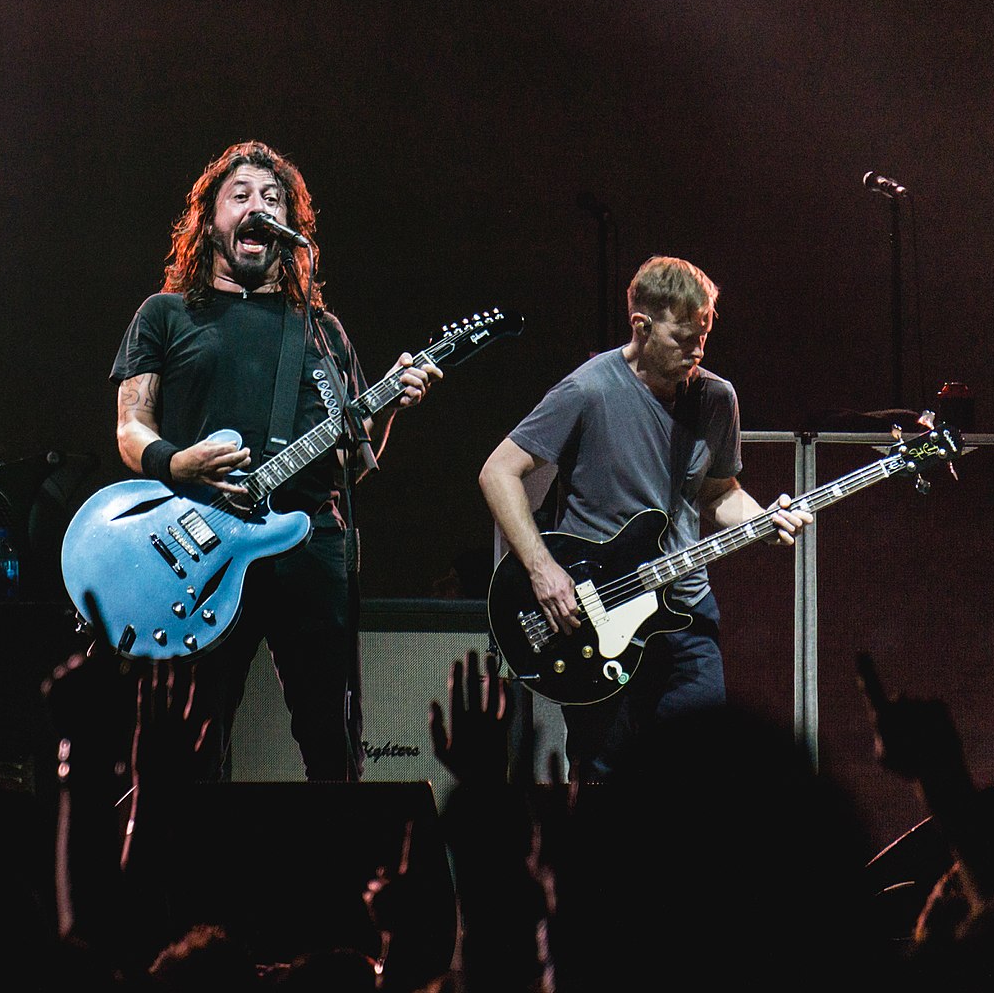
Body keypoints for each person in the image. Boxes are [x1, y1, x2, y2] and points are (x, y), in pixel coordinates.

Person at [110, 140, 439, 782]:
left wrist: (391, 406)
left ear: (290, 228)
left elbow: (354, 461)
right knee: (190, 750)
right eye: (240, 196)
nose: (258, 207)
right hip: (204, 552)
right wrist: (178, 463)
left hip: (309, 548)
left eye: (272, 198)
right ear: (209, 221)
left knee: (331, 745)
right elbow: (130, 426)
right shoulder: (167, 314)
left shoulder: (319, 329)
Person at [477, 256, 812, 780]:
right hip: (596, 614)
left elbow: (718, 492)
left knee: (701, 775)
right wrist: (543, 570)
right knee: (605, 781)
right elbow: (498, 472)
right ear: (642, 325)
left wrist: (763, 519)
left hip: (684, 611)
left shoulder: (717, 398)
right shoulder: (588, 390)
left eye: (704, 337)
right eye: (684, 338)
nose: (698, 352)